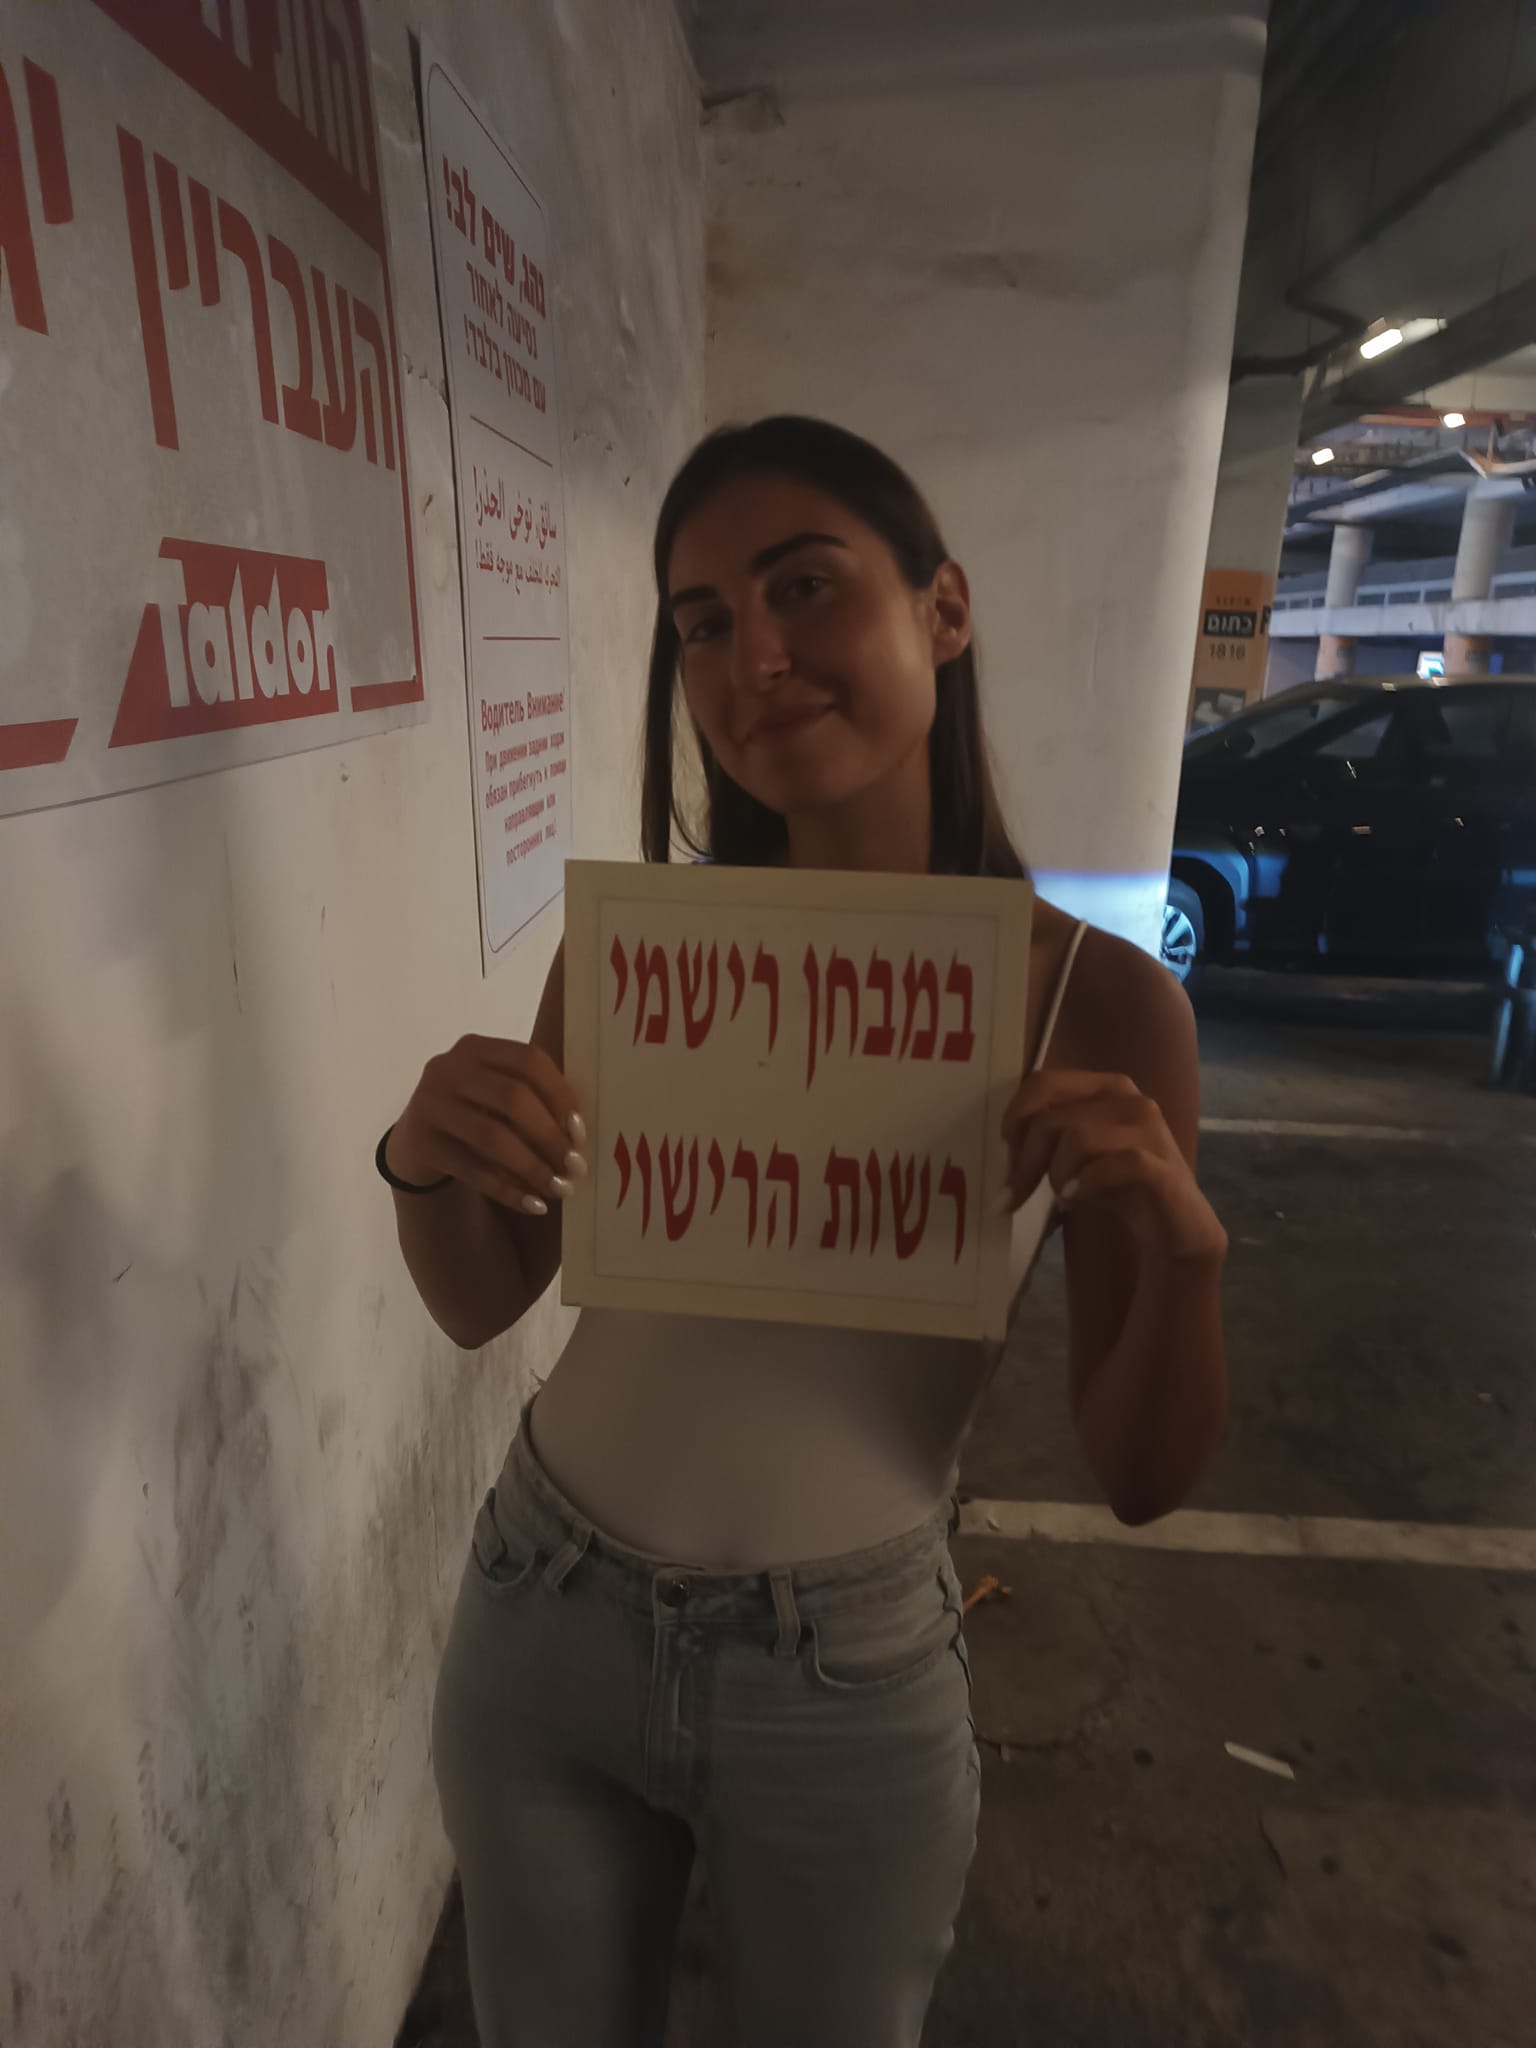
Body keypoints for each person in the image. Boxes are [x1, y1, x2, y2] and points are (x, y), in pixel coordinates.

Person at [381, 417, 1229, 2048]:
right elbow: (486, 1298)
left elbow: (1142, 1472)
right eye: (702, 621)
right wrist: (424, 1159)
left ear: (945, 610)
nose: (752, 657)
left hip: (843, 1670)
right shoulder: (638, 956)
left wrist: (1185, 1256)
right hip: (543, 1609)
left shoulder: (1101, 1003)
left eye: (805, 586)